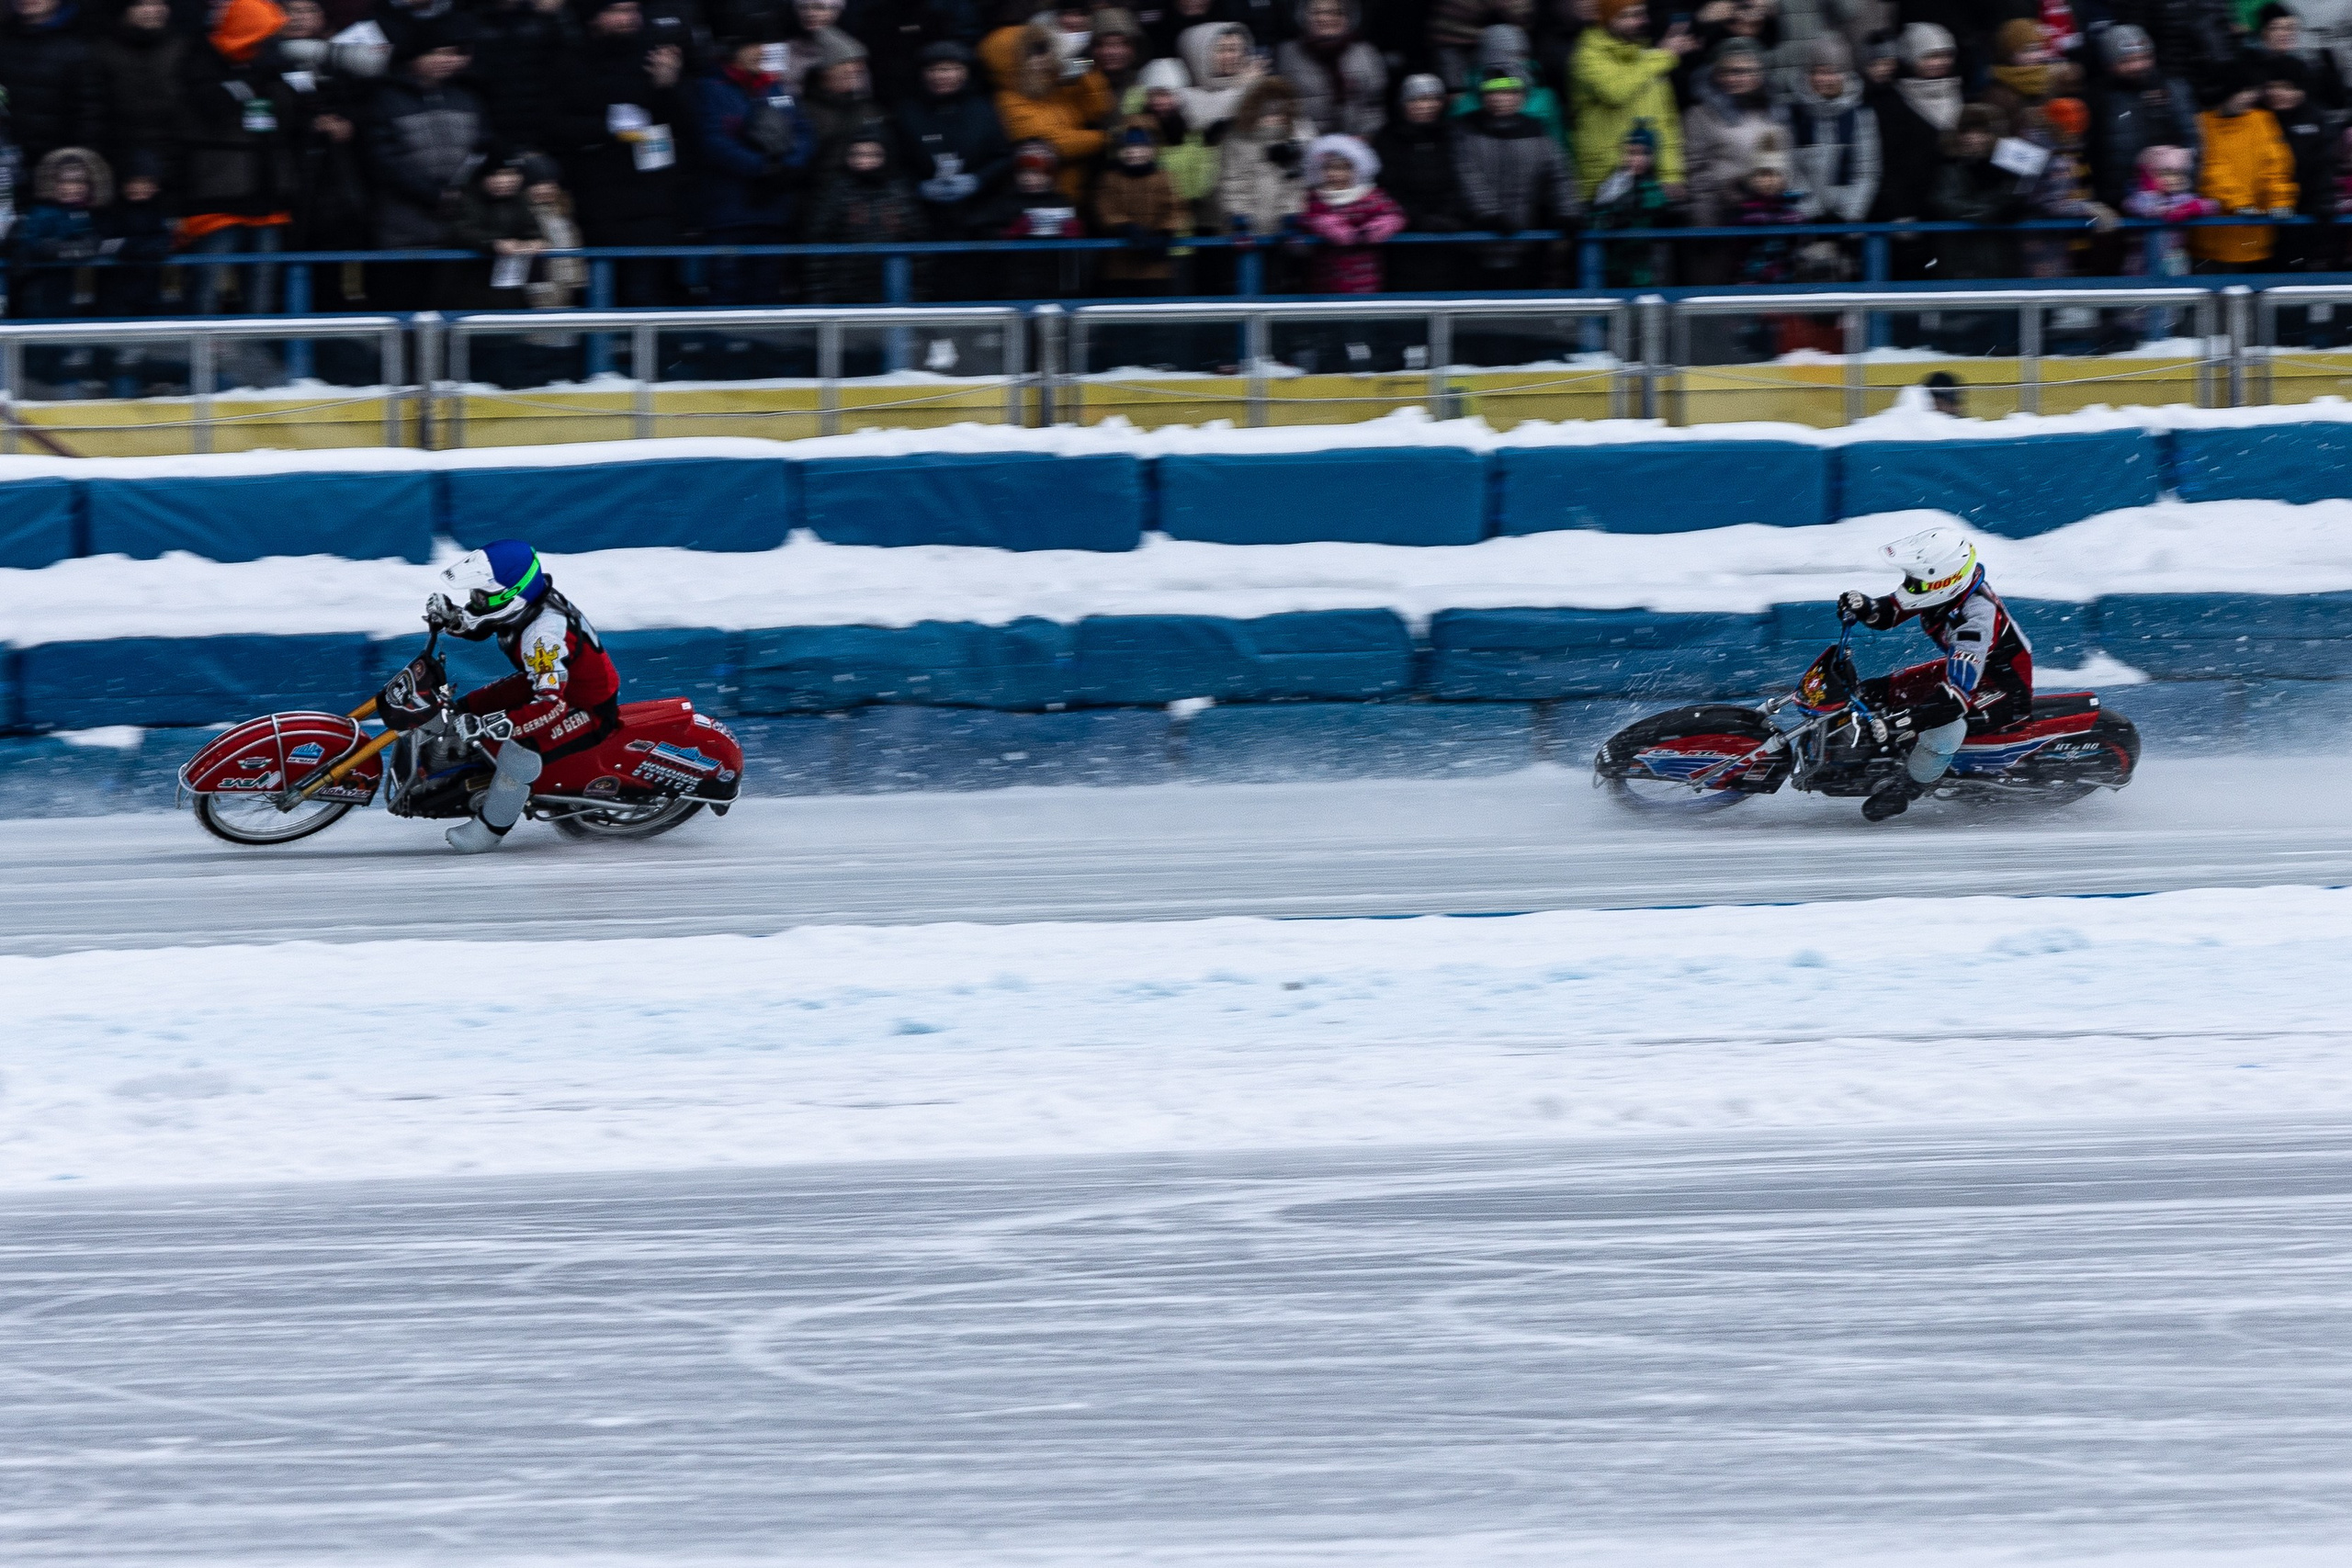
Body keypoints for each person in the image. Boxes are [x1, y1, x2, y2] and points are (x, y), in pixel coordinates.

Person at [424, 539, 622, 854]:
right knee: (467, 705)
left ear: (510, 596)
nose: (475, 601)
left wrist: (497, 725)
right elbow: (484, 619)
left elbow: (551, 707)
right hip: (548, 683)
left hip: (582, 705)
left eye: (480, 595)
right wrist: (452, 619)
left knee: (519, 751)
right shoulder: (524, 604)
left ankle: (490, 830)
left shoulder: (542, 636)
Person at [1837, 526, 2034, 821]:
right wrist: (1867, 607)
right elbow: (1891, 612)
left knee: (1945, 727)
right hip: (1970, 668)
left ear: (1944, 581)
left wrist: (1902, 723)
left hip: (2001, 687)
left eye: (1916, 581)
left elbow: (1955, 699)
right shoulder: (1943, 592)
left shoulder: (1976, 620)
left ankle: (1908, 788)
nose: (1909, 586)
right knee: (1877, 690)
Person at [549, 0, 686, 307]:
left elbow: (684, 125)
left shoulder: (654, 58)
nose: (629, 18)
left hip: (652, 197)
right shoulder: (570, 61)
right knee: (601, 293)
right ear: (595, 17)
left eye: (633, 10)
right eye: (618, 10)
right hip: (597, 195)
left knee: (645, 292)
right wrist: (607, 127)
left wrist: (668, 86)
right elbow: (555, 124)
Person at [177, 0, 306, 315]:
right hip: (218, 199)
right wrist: (251, 81)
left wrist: (276, 78)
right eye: (263, 35)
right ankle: (203, 354)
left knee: (263, 282)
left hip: (270, 196)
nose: (269, 43)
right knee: (209, 282)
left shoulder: (277, 68)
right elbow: (211, 110)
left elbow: (294, 119)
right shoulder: (199, 60)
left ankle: (255, 352)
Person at [693, 19, 816, 303]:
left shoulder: (777, 89)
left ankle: (765, 347)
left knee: (768, 292)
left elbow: (804, 132)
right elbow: (713, 142)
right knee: (726, 291)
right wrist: (760, 166)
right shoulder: (711, 89)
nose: (760, 52)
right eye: (752, 46)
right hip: (729, 214)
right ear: (732, 50)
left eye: (762, 46)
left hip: (774, 211)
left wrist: (791, 165)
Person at [1455, 65, 1579, 285]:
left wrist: (1568, 213)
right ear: (1484, 96)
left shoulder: (1537, 131)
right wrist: (1489, 215)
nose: (1501, 98)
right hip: (1476, 243)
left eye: (1509, 92)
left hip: (1525, 243)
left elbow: (1558, 175)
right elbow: (1467, 174)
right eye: (1494, 92)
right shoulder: (1466, 130)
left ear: (1521, 96)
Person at [1570, 0, 1692, 202]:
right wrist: (1662, 57)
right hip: (1603, 181)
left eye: (1641, 14)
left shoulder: (1651, 58)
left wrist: (1671, 175)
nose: (1640, 21)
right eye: (1628, 15)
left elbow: (1666, 123)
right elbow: (1615, 91)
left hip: (1650, 181)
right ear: (1607, 20)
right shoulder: (1587, 55)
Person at [980, 16, 1114, 197]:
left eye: (1044, 49)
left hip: (1081, 189)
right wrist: (1106, 138)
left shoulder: (1051, 87)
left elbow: (1098, 111)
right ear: (1013, 62)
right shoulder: (1008, 102)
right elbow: (1052, 144)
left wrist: (1087, 75)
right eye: (1034, 52)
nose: (1043, 58)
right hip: (1049, 199)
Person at [897, 39, 1011, 238]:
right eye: (934, 70)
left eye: (950, 69)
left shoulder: (983, 110)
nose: (942, 76)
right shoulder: (908, 111)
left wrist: (977, 180)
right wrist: (918, 187)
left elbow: (1003, 156)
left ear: (965, 72)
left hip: (979, 215)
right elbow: (897, 161)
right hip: (921, 217)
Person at [2192, 62, 2298, 271]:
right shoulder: (2202, 124)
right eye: (2244, 90)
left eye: (2253, 90)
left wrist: (2280, 201)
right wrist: (2239, 203)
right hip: (2213, 238)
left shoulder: (2263, 121)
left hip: (2256, 238)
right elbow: (2210, 170)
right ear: (2226, 91)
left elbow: (2276, 165)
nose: (2250, 96)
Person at [801, 130, 924, 301]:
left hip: (894, 289)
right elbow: (818, 244)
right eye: (857, 154)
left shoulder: (900, 191)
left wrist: (918, 291)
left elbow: (918, 243)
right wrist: (819, 293)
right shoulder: (835, 191)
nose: (864, 161)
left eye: (872, 154)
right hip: (843, 292)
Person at [1374, 73, 1469, 289]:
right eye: (1417, 99)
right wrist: (1418, 219)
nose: (1426, 105)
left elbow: (1464, 177)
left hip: (1450, 235)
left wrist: (1449, 215)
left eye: (1432, 99)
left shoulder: (1454, 135)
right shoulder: (1388, 137)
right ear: (1403, 104)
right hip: (1404, 237)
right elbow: (1388, 186)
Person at [0, 0, 107, 174]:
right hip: (8, 167)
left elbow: (89, 118)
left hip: (58, 172)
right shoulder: (5, 40)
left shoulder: (79, 48)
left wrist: (76, 166)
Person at [1682, 35, 1779, 228]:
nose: (1741, 78)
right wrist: (1706, 227)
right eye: (1732, 71)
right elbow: (1696, 175)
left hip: (1768, 218)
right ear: (1717, 75)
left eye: (1749, 71)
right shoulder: (1699, 115)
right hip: (1720, 221)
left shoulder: (1774, 112)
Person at [1295, 130, 1404, 290]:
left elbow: (1393, 215)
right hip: (1326, 275)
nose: (1335, 174)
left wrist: (1374, 230)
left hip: (1365, 274)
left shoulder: (1370, 195)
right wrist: (1332, 228)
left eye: (1342, 169)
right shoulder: (1316, 198)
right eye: (1329, 169)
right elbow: (1310, 218)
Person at [1785, 33, 1876, 223]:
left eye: (1833, 72)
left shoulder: (1860, 115)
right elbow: (1790, 167)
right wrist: (1806, 209)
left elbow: (1867, 170)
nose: (1825, 79)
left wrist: (1851, 214)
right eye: (1819, 72)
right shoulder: (1793, 115)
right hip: (1803, 218)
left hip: (1848, 219)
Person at [93, 0, 187, 183]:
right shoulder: (102, 51)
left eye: (158, 3)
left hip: (177, 153)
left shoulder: (183, 48)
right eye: (142, 4)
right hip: (120, 153)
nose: (152, 10)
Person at [1093, 115, 1185, 292]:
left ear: (1151, 150)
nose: (1134, 152)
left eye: (1141, 147)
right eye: (1129, 148)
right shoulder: (1110, 179)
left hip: (1156, 268)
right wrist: (1124, 226)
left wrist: (1164, 231)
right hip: (1119, 266)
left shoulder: (1164, 178)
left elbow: (1176, 208)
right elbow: (1105, 208)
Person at [1587, 118, 1679, 284]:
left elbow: (1657, 217)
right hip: (1615, 270)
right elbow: (1597, 220)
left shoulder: (1656, 192)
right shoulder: (1610, 186)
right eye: (1630, 153)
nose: (1634, 159)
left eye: (1642, 153)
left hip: (1646, 274)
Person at [1217, 75, 1312, 237]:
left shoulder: (1297, 140)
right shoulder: (1238, 142)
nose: (1273, 118)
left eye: (1278, 112)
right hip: (1246, 229)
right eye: (1266, 113)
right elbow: (1232, 181)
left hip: (1286, 229)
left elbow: (1297, 184)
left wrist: (1291, 212)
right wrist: (1239, 213)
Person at [1279, 0, 1387, 139]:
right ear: (1304, 17)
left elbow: (1374, 105)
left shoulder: (1365, 53)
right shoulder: (1287, 54)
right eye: (1317, 12)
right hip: (1306, 144)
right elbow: (1282, 106)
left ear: (1347, 18)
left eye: (1334, 12)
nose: (1324, 18)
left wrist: (1364, 137)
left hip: (1355, 144)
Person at [2122, 142, 2219, 274]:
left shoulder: (2183, 198)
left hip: (2174, 263)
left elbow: (2213, 206)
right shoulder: (2141, 196)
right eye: (2166, 174)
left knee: (2175, 290)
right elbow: (2136, 205)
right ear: (2151, 175)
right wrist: (2164, 207)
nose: (2174, 179)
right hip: (2143, 264)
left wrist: (2190, 208)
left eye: (2179, 174)